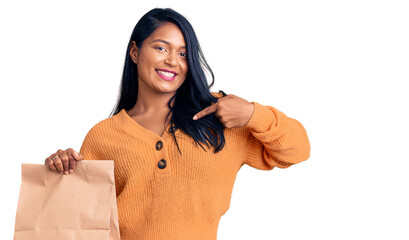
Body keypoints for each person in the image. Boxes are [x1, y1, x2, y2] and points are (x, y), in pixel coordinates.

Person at [44, 7, 311, 239]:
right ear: (135, 52)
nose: (172, 61)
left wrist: (254, 114)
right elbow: (82, 222)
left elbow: (298, 150)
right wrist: (62, 170)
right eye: (161, 48)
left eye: (183, 54)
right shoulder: (104, 136)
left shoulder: (218, 117)